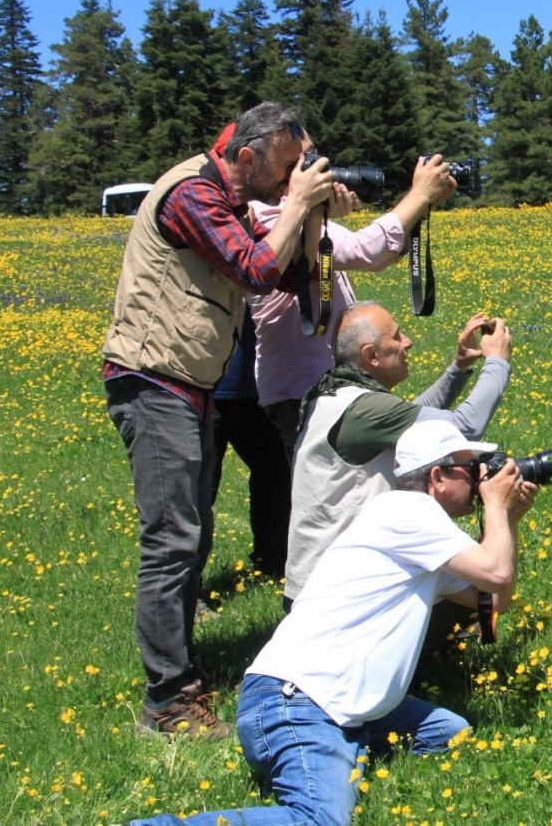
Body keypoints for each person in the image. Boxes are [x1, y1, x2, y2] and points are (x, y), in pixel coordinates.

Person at [128, 419, 538, 826]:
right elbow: (498, 574)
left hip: (339, 706)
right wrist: (498, 508)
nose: (483, 478)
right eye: (472, 468)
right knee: (319, 822)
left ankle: (344, 750)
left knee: (453, 732)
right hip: (297, 702)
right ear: (438, 476)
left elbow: (494, 599)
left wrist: (509, 521)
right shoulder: (407, 510)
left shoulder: (422, 533)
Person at [101, 101, 336, 738]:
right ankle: (169, 702)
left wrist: (310, 213)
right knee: (174, 539)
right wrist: (294, 209)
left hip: (190, 385)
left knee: (190, 535)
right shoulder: (190, 194)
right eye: (288, 167)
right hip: (154, 381)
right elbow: (256, 271)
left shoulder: (230, 203)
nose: (292, 179)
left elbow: (289, 276)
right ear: (247, 157)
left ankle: (178, 672)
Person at [283, 300, 512, 608]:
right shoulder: (364, 408)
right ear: (371, 355)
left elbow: (411, 416)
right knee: (467, 594)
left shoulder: (336, 396)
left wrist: (458, 368)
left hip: (313, 580)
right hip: (341, 593)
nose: (409, 342)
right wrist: (497, 361)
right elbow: (464, 429)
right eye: (397, 335)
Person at [247, 151, 459, 457]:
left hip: (327, 383)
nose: (322, 171)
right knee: (324, 491)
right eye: (305, 162)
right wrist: (418, 194)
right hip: (301, 388)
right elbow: (364, 251)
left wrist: (423, 205)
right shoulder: (265, 214)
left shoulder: (308, 215)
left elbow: (378, 256)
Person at [210, 308, 292, 578]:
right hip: (209, 385)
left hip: (258, 383)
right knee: (199, 487)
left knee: (276, 470)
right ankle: (188, 590)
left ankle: (273, 564)